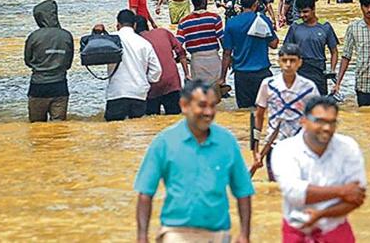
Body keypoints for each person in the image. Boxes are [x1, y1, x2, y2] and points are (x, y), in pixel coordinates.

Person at [134, 80, 254, 243]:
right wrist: (142, 237)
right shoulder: (164, 142)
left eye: (212, 106)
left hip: (217, 233)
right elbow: (145, 193)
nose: (208, 112)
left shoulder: (227, 142)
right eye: (202, 105)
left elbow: (243, 191)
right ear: (184, 105)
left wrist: (244, 235)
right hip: (175, 232)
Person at [272, 96, 367, 242]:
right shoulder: (284, 149)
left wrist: (321, 213)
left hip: (335, 229)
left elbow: (357, 198)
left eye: (332, 122)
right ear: (303, 121)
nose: (327, 128)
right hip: (297, 232)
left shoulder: (348, 147)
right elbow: (294, 193)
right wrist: (342, 191)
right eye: (320, 121)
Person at [253, 44, 319, 181]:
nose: (288, 64)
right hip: (273, 145)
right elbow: (259, 115)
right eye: (284, 60)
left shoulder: (309, 88)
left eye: (292, 60)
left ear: (300, 62)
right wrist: (255, 149)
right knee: (276, 188)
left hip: (300, 146)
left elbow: (317, 118)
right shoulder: (268, 84)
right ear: (279, 62)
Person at [220, 0, 279, 109]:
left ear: (240, 3)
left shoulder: (231, 23)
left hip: (242, 76)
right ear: (257, 3)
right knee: (264, 113)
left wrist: (222, 78)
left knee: (245, 113)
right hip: (262, 74)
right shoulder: (262, 20)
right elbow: (274, 44)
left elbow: (226, 53)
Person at [105, 10, 162, 121]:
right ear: (135, 25)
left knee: (115, 134)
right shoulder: (145, 43)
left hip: (117, 93)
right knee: (138, 132)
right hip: (139, 93)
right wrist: (146, 80)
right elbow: (157, 71)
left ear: (117, 25)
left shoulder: (110, 40)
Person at [24, 0, 74, 122]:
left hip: (38, 87)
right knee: (58, 128)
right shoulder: (66, 36)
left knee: (37, 129)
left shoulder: (34, 37)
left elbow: (27, 60)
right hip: (60, 86)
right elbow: (68, 63)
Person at [284, 0, 339, 96]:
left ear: (314, 9)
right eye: (299, 12)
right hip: (299, 70)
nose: (302, 15)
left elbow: (334, 51)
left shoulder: (325, 26)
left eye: (305, 12)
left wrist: (332, 70)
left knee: (319, 104)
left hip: (318, 70)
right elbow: (286, 51)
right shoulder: (295, 26)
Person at [135, 15, 190, 115]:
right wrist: (187, 74)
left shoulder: (136, 41)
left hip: (152, 87)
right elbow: (181, 53)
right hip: (172, 83)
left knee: (152, 122)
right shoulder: (163, 32)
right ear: (147, 25)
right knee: (175, 119)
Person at [176, 0, 224, 85]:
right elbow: (223, 41)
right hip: (213, 59)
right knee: (216, 93)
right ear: (204, 1)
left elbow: (178, 45)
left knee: (200, 94)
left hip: (196, 60)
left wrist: (183, 65)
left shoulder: (184, 21)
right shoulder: (214, 18)